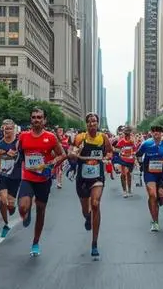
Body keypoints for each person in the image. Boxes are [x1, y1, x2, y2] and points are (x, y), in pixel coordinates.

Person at [16, 108, 65, 257]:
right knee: (23, 206)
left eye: (39, 117)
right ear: (31, 120)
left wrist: (51, 164)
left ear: (44, 121)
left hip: (43, 179)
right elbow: (19, 153)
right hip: (27, 176)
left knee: (40, 211)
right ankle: (25, 214)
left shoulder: (50, 137)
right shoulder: (23, 136)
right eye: (34, 117)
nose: (36, 119)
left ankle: (36, 242)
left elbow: (63, 154)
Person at [72, 112, 113, 257]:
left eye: (94, 121)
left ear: (98, 123)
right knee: (86, 210)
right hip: (82, 178)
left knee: (95, 204)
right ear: (86, 124)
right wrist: (76, 152)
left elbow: (109, 152)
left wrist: (107, 158)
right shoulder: (80, 137)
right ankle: (88, 217)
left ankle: (94, 243)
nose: (92, 124)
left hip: (97, 176)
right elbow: (73, 152)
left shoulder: (103, 138)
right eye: (89, 121)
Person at [136, 126, 163, 232]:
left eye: (158, 132)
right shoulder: (146, 144)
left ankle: (160, 197)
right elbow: (138, 154)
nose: (156, 134)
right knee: (152, 195)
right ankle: (155, 222)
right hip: (149, 173)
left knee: (158, 196)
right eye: (154, 132)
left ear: (161, 133)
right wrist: (140, 164)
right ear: (151, 133)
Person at [0, 118, 22, 237]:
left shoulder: (19, 143)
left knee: (10, 204)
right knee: (2, 199)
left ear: (14, 129)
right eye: (5, 129)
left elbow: (23, 156)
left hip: (15, 175)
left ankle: (12, 208)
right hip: (3, 174)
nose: (7, 131)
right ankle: (6, 223)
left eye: (10, 128)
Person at [114, 127, 137, 197]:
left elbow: (135, 149)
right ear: (124, 133)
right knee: (123, 174)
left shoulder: (132, 141)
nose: (127, 133)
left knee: (129, 174)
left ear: (130, 132)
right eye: (125, 132)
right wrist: (120, 151)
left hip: (131, 160)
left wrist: (134, 154)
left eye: (128, 131)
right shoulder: (121, 141)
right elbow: (116, 149)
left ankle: (129, 190)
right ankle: (124, 191)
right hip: (123, 160)